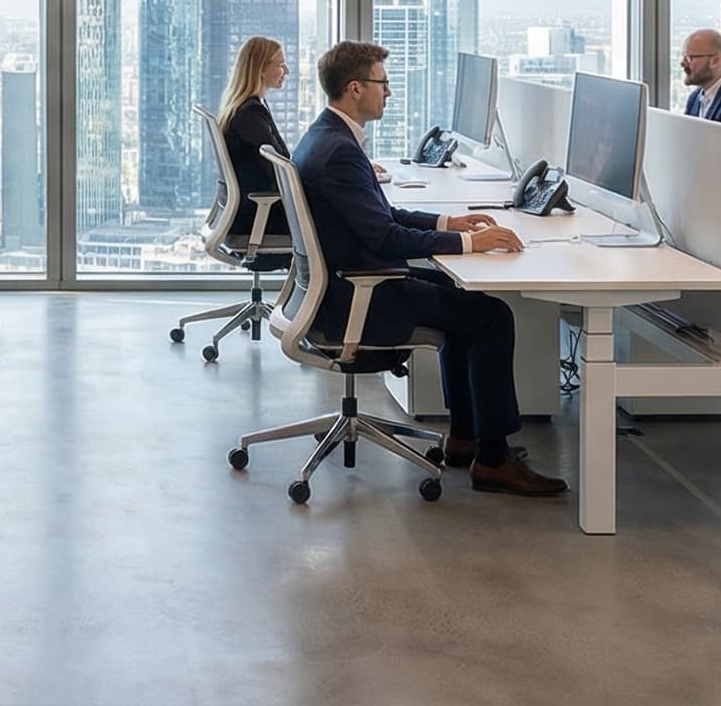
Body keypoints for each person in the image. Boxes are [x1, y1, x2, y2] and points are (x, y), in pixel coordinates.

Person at [293, 41, 565, 497]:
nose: (390, 93)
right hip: (358, 298)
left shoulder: (325, 137)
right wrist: (470, 242)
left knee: (468, 300)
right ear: (355, 88)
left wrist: (447, 223)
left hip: (346, 284)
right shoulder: (339, 152)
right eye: (383, 83)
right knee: (491, 317)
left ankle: (465, 439)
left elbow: (382, 216)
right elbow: (386, 238)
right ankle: (494, 460)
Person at [216, 35, 292, 245]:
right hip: (261, 220)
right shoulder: (249, 115)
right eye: (281, 65)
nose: (287, 71)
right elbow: (279, 171)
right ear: (261, 69)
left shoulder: (247, 107)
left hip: (252, 216)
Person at [679, 28, 721, 124]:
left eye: (689, 58)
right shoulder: (694, 98)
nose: (683, 63)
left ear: (715, 61)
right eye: (683, 56)